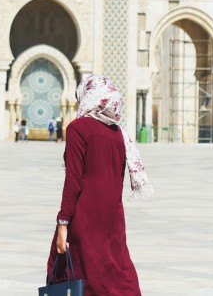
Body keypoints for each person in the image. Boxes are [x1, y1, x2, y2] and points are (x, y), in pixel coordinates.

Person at [48, 75, 152, 295]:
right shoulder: (119, 135)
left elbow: (73, 182)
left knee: (75, 278)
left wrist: (62, 223)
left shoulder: (78, 128)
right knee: (115, 276)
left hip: (85, 221)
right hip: (112, 220)